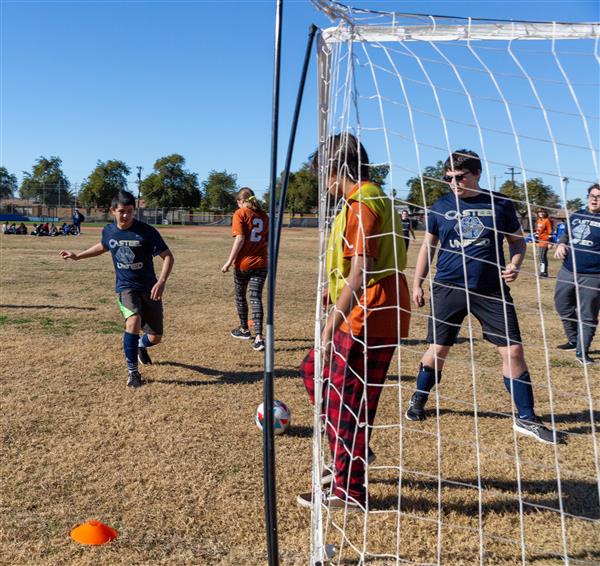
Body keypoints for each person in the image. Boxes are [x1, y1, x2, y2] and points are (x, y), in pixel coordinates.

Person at [405, 149, 563, 444]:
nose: (454, 182)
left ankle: (526, 417)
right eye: (448, 177)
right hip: (448, 287)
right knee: (438, 350)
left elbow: (518, 243)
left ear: (476, 174)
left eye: (460, 177)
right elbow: (428, 247)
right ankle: (419, 397)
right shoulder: (440, 206)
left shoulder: (500, 204)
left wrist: (514, 264)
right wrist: (417, 284)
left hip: (491, 290)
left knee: (513, 351)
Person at [297, 133, 411, 510]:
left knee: (345, 402)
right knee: (320, 377)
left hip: (368, 313)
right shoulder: (366, 199)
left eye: (322, 175)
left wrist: (331, 324)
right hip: (376, 310)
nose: (322, 185)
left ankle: (349, 490)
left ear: (336, 169)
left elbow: (361, 271)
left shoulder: (363, 204)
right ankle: (351, 460)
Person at [60, 190, 174, 388]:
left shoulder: (147, 231)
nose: (125, 216)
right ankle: (133, 373)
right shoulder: (109, 231)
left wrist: (162, 281)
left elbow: (168, 256)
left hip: (149, 288)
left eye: (130, 211)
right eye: (121, 211)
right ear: (113, 211)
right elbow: (103, 246)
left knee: (155, 338)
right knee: (133, 321)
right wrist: (78, 255)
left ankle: (140, 346)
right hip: (126, 287)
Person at [554, 183, 600, 365]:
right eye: (592, 195)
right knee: (562, 305)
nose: (595, 199)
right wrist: (561, 243)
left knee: (588, 314)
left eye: (599, 196)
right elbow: (565, 234)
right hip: (568, 270)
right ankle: (573, 339)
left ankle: (582, 352)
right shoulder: (577, 215)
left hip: (593, 275)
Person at [221, 187, 269, 352]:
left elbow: (240, 238)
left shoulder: (240, 213)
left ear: (241, 201)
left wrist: (229, 261)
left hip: (244, 264)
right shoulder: (264, 216)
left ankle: (244, 329)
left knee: (241, 296)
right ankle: (259, 337)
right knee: (256, 298)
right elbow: (267, 241)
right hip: (262, 263)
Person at [535, 208, 553, 277]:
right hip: (540, 241)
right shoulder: (538, 220)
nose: (541, 213)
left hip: (545, 241)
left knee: (541, 256)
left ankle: (543, 272)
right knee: (542, 256)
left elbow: (550, 232)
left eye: (542, 212)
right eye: (539, 212)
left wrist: (550, 243)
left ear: (545, 213)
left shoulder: (547, 221)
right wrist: (536, 240)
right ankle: (544, 272)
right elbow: (537, 231)